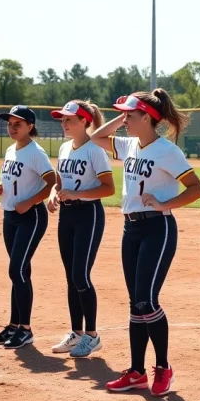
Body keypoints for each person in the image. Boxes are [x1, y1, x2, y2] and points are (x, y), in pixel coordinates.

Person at [91, 89, 200, 396]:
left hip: (158, 228)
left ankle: (163, 368)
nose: (125, 120)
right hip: (131, 231)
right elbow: (97, 137)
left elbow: (197, 188)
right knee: (135, 303)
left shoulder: (167, 150)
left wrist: (163, 203)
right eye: (124, 115)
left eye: (130, 115)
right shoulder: (130, 144)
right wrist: (125, 114)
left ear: (147, 117)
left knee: (147, 300)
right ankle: (137, 372)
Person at [47, 100, 115, 357]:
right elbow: (58, 181)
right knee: (70, 277)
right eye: (62, 120)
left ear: (85, 122)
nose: (64, 124)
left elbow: (109, 188)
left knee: (80, 275)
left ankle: (92, 335)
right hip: (67, 215)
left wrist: (77, 193)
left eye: (69, 120)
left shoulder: (94, 150)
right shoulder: (65, 148)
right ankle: (76, 333)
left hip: (89, 214)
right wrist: (53, 194)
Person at [0, 105, 55, 349]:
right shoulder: (10, 150)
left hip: (31, 217)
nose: (12, 128)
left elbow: (53, 182)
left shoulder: (35, 152)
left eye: (18, 124)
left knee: (17, 270)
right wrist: (0, 188)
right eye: (9, 124)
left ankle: (26, 329)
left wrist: (30, 201)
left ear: (30, 126)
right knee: (20, 271)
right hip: (10, 216)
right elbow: (14, 181)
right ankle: (14, 325)